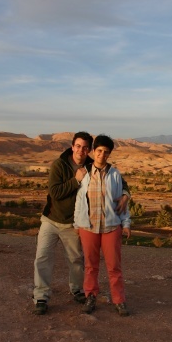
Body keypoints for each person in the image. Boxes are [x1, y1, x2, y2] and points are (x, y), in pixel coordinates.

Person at [33, 132, 129, 315]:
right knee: (43, 258)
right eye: (78, 146)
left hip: (73, 223)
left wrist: (126, 194)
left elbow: (121, 183)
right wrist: (75, 180)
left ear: (89, 150)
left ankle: (78, 290)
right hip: (52, 219)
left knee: (77, 260)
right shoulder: (60, 165)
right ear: (72, 146)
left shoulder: (91, 166)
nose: (81, 150)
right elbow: (55, 193)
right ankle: (41, 297)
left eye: (85, 147)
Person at [74, 134, 132, 317]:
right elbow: (78, 201)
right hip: (88, 226)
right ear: (93, 151)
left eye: (106, 152)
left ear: (109, 154)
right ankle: (90, 296)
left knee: (114, 266)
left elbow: (121, 202)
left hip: (111, 227)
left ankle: (119, 300)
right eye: (99, 151)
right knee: (91, 265)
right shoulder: (83, 173)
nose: (102, 155)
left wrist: (126, 223)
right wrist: (77, 224)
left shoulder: (115, 175)